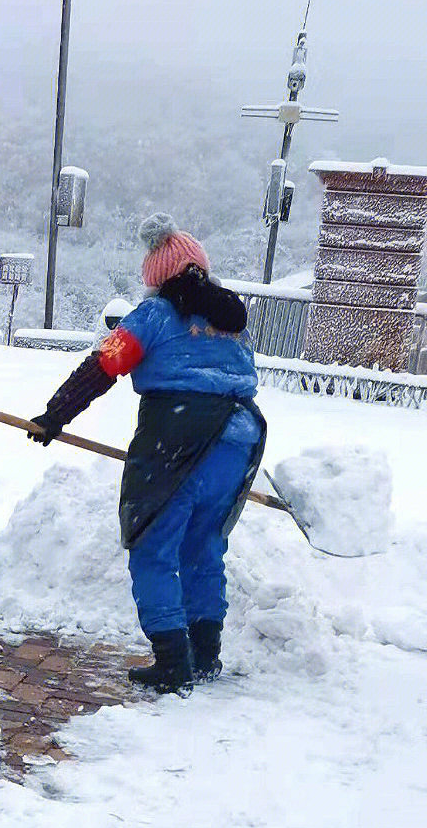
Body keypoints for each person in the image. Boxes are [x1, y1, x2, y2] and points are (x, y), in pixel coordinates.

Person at [31, 213, 266, 694]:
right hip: (240, 437)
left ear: (156, 275)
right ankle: (204, 655)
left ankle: (172, 662)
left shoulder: (155, 315)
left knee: (153, 547)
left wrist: (57, 413)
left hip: (177, 439)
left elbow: (105, 363)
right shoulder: (232, 321)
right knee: (204, 549)